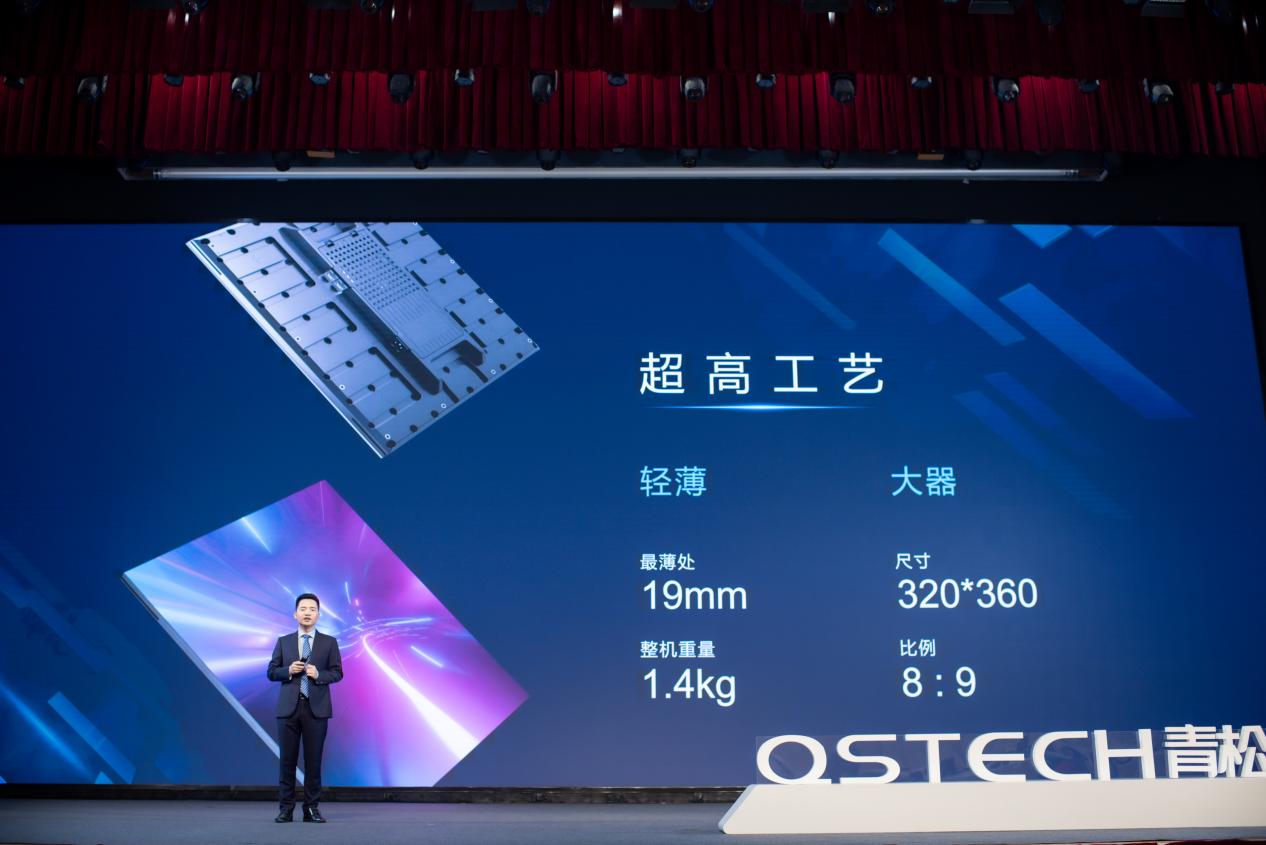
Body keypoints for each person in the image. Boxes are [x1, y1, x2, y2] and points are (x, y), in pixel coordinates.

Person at [266, 593, 343, 823]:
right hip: (288, 709)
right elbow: (271, 672)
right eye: (303, 609)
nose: (307, 612)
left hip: (316, 709)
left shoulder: (329, 642)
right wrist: (288, 670)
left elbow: (337, 673)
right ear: (295, 614)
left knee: (313, 762)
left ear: (318, 614)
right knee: (287, 762)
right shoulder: (284, 641)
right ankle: (286, 809)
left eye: (312, 609)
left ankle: (311, 809)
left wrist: (319, 674)